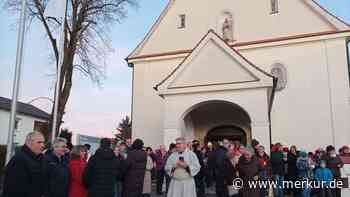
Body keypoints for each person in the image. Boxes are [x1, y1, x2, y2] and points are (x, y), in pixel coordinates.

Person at [3, 132, 45, 197]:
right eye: (39, 142)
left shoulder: (37, 159)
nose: (43, 145)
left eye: (43, 142)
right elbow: (13, 190)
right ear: (29, 142)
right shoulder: (19, 160)